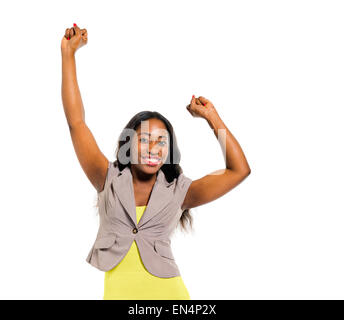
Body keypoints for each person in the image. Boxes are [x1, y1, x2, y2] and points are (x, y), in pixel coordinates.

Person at [61, 23, 251, 300]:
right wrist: (68, 54)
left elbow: (239, 170)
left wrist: (212, 118)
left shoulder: (179, 192)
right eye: (144, 139)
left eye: (162, 141)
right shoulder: (107, 178)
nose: (154, 147)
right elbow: (76, 122)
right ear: (128, 144)